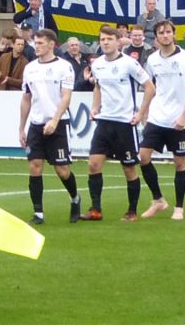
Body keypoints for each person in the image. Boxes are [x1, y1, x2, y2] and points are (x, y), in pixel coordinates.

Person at [80, 24, 155, 221]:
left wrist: (140, 114)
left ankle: (132, 211)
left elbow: (149, 87)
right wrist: (95, 107)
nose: (105, 42)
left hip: (124, 124)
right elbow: (98, 87)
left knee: (129, 168)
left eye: (109, 39)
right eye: (102, 39)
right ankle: (95, 209)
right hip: (104, 122)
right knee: (93, 165)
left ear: (118, 41)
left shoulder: (129, 63)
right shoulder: (97, 65)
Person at [18, 29, 81, 225]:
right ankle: (38, 213)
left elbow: (66, 97)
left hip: (58, 123)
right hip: (36, 124)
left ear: (51, 44)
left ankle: (75, 198)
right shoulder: (30, 68)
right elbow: (26, 98)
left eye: (40, 43)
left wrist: (54, 120)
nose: (36, 46)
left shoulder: (64, 67)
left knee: (62, 169)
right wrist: (21, 127)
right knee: (34, 166)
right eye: (35, 43)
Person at [139, 20, 185, 221]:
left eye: (168, 32)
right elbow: (151, 87)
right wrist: (145, 112)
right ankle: (158, 200)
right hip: (157, 116)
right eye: (161, 33)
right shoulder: (152, 59)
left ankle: (179, 207)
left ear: (174, 34)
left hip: (178, 118)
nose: (165, 35)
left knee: (179, 162)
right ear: (156, 37)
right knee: (143, 156)